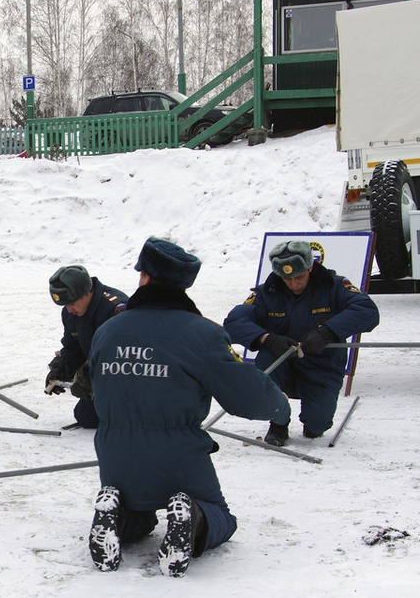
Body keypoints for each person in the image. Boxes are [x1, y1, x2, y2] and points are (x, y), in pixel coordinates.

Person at [87, 236, 291, 577]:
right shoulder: (202, 334)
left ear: (145, 277)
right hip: (177, 456)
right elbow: (248, 398)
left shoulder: (107, 330)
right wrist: (280, 408)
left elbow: (95, 385)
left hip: (115, 455)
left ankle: (119, 515)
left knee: (140, 512)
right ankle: (192, 518)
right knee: (219, 515)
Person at [224, 240, 380, 447]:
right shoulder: (267, 292)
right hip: (281, 363)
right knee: (267, 371)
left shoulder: (334, 286)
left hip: (321, 365)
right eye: (286, 278)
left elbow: (367, 311)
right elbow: (234, 322)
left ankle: (314, 421)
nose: (293, 284)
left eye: (299, 277)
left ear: (310, 267)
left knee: (317, 425)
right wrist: (266, 338)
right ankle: (279, 422)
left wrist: (328, 332)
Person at [46, 265, 127, 428]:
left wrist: (89, 379)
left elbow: (121, 357)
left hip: (127, 376)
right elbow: (72, 347)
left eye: (72, 303)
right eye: (65, 305)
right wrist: (62, 367)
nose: (69, 310)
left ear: (87, 293)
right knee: (86, 416)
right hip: (101, 373)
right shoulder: (71, 313)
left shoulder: (116, 310)